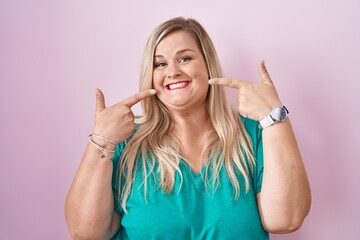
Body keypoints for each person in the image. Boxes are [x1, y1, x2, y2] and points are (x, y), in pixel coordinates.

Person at [65, 17, 311, 240]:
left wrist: (274, 117)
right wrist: (102, 140)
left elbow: (285, 220)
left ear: (208, 65)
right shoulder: (123, 142)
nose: (172, 72)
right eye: (160, 64)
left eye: (185, 58)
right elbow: (86, 233)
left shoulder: (256, 133)